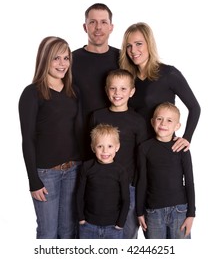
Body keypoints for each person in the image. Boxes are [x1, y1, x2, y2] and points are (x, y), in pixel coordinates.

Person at [18, 36, 83, 239]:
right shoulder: (32, 93)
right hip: (47, 175)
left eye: (66, 58)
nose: (62, 64)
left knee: (68, 231)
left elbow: (78, 132)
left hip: (73, 169)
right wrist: (33, 181)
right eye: (56, 58)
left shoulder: (74, 91)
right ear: (45, 59)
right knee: (48, 232)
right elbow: (27, 139)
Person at [119, 22, 201, 152]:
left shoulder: (169, 74)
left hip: (161, 150)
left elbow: (194, 107)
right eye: (128, 46)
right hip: (134, 149)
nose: (133, 50)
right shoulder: (128, 79)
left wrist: (187, 137)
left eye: (138, 44)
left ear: (149, 44)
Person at [90, 69, 148, 238]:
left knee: (128, 233)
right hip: (101, 185)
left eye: (123, 89)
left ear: (132, 91)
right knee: (104, 233)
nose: (117, 93)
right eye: (113, 88)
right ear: (106, 90)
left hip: (128, 186)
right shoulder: (97, 116)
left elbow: (141, 158)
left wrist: (137, 185)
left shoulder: (137, 121)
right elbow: (91, 151)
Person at [136, 102, 195, 239]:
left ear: (177, 126)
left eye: (169, 120)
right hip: (153, 211)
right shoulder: (144, 148)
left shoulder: (181, 147)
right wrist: (139, 212)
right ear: (152, 121)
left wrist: (191, 213)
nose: (163, 123)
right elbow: (142, 180)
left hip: (179, 210)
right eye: (159, 118)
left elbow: (190, 181)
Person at [72, 3, 120, 159]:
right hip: (79, 146)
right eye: (92, 22)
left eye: (103, 22)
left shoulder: (123, 59)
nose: (98, 27)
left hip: (116, 145)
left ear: (111, 27)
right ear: (85, 27)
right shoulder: (71, 60)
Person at [76, 123, 130, 239]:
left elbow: (125, 199)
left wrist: (121, 223)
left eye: (110, 146)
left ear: (117, 147)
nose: (105, 151)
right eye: (100, 146)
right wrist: (81, 218)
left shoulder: (120, 171)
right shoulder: (87, 167)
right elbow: (80, 194)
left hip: (113, 226)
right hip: (88, 225)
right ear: (92, 147)